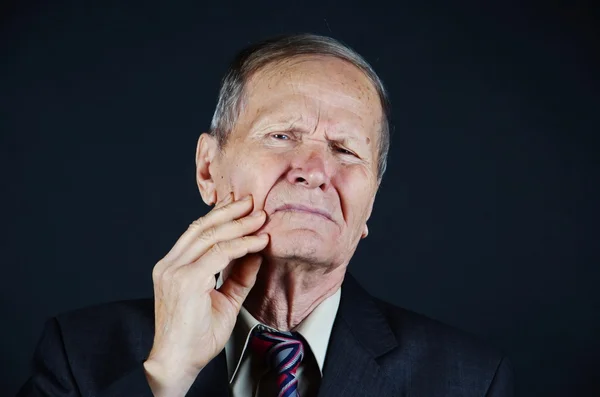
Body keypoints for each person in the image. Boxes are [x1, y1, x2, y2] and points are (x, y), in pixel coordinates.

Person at [17, 33, 514, 397]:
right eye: (282, 136)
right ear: (208, 169)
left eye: (345, 149)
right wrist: (164, 378)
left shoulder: (469, 378)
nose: (316, 170)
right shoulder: (77, 354)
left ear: (370, 203)